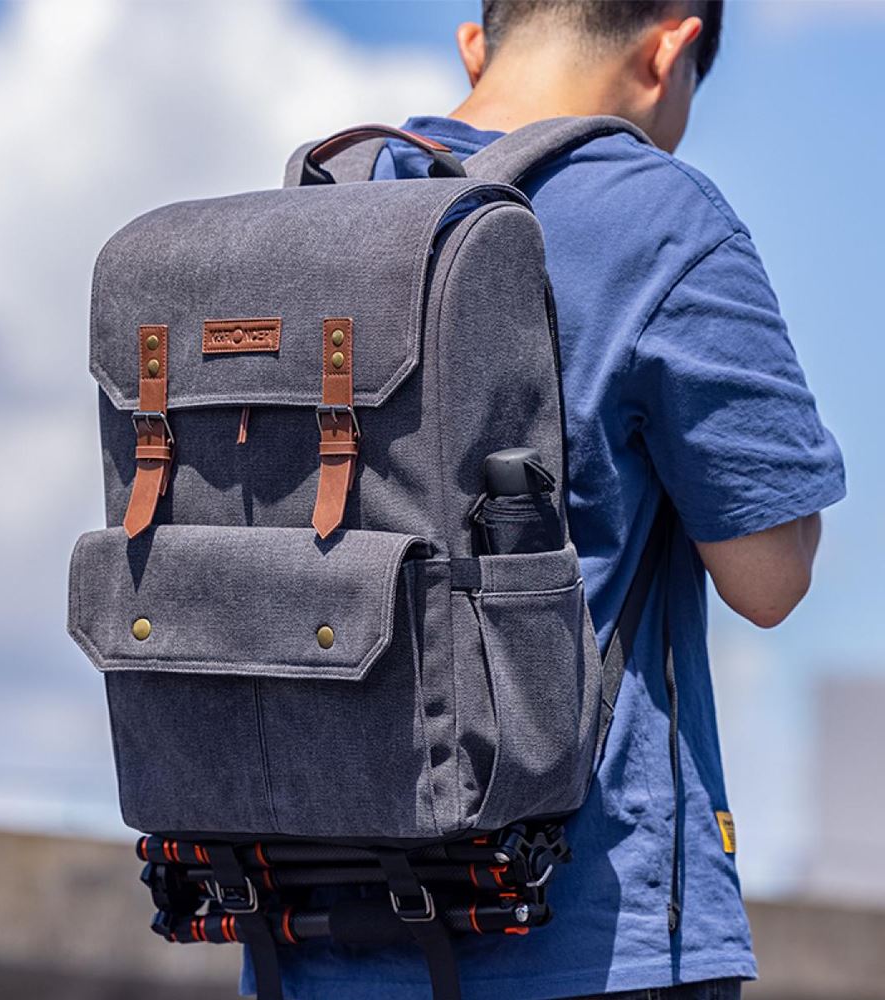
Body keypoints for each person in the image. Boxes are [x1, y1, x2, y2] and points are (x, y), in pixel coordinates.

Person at [271, 2, 846, 998]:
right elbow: (770, 578)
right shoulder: (661, 216)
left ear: (475, 46)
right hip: (581, 933)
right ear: (671, 48)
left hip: (302, 919)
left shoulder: (319, 210)